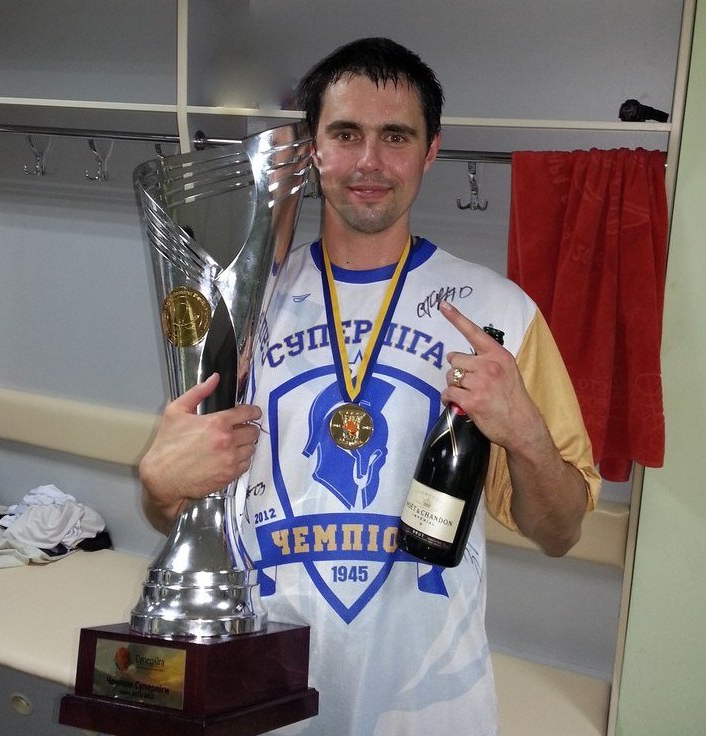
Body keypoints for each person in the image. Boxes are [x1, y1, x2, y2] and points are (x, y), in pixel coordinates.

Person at [140, 37, 601, 736]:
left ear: (431, 151)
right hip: (261, 698)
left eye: (396, 137)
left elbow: (559, 531)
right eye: (346, 134)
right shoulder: (241, 302)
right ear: (312, 149)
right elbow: (176, 506)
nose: (369, 162)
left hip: (427, 711)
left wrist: (526, 434)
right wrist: (158, 483)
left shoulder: (501, 316)